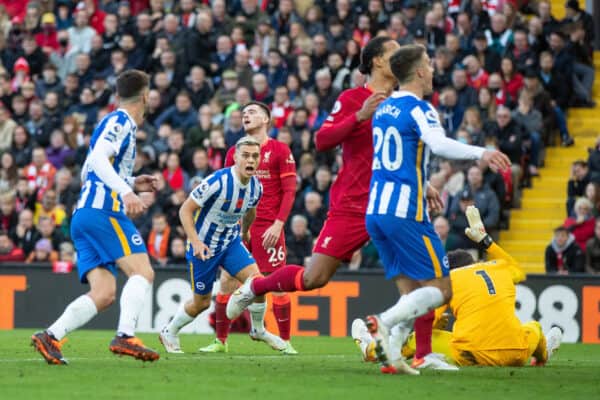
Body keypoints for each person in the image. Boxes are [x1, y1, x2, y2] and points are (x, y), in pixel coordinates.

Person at [226, 36, 406, 351]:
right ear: (377, 60)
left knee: (419, 276)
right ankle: (257, 285)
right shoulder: (353, 98)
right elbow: (322, 139)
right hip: (353, 203)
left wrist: (422, 181)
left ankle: (407, 347)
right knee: (314, 278)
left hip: (393, 201)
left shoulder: (403, 102)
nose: (401, 55)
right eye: (394, 50)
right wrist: (360, 116)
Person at [348, 44, 511, 374]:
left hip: (377, 210)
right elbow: (437, 144)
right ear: (419, 71)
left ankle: (394, 355)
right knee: (441, 290)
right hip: (406, 212)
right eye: (430, 66)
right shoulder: (419, 108)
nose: (434, 71)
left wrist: (428, 186)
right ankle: (382, 322)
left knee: (413, 292)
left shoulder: (384, 108)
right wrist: (481, 152)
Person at [31, 70, 160, 365]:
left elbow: (90, 167)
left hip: (85, 215)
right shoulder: (121, 120)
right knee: (143, 272)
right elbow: (100, 159)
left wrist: (131, 180)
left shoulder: (110, 122)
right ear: (144, 96)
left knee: (103, 294)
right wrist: (125, 193)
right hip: (104, 211)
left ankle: (50, 335)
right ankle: (126, 335)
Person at [388, 206, 563, 367]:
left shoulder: (450, 280)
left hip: (471, 354)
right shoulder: (497, 267)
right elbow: (517, 270)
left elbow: (428, 320)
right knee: (535, 327)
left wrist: (436, 325)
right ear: (475, 262)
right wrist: (486, 241)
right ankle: (542, 355)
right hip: (516, 353)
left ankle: (383, 352)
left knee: (421, 338)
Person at [158, 136, 284, 354]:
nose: (250, 160)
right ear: (235, 158)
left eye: (255, 156)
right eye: (245, 155)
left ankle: (258, 330)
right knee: (202, 303)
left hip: (230, 242)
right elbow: (184, 210)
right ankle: (169, 330)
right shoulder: (217, 182)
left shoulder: (256, 187)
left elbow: (251, 210)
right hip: (204, 248)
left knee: (259, 283)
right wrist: (195, 242)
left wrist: (244, 232)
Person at [200, 101, 297, 354]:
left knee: (276, 284)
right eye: (244, 113)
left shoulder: (280, 150)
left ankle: (286, 342)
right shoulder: (234, 150)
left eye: (252, 112)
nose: (246, 115)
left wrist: (278, 224)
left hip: (269, 228)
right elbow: (226, 189)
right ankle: (220, 342)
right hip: (238, 227)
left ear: (266, 119)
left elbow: (289, 191)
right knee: (227, 282)